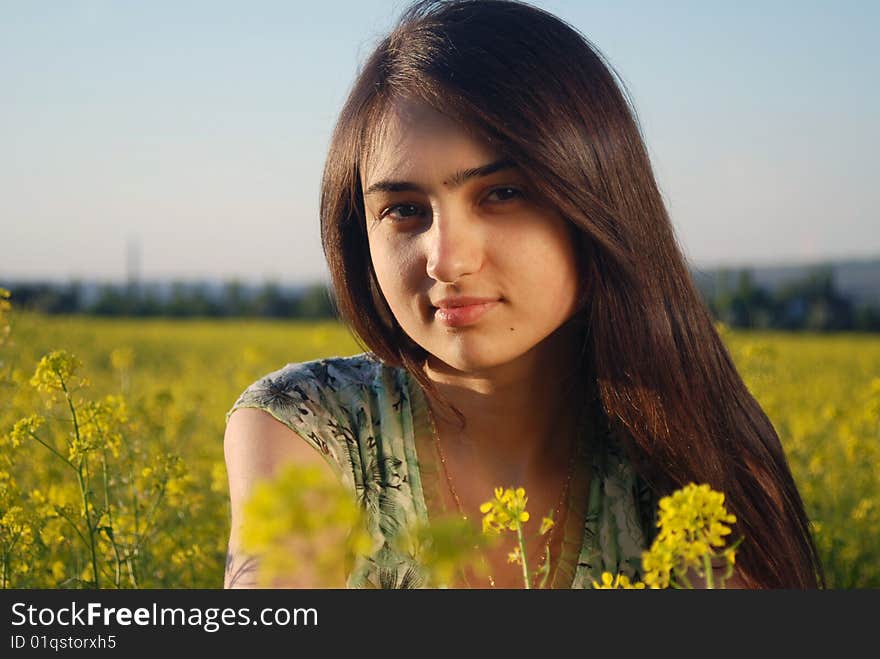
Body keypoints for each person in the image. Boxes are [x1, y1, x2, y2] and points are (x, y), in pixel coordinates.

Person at [223, 0, 824, 589]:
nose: (447, 258)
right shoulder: (309, 427)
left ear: (597, 203)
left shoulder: (700, 455)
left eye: (503, 194)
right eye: (404, 210)